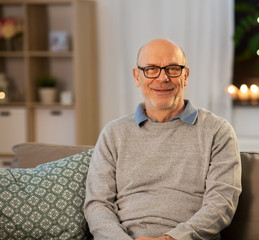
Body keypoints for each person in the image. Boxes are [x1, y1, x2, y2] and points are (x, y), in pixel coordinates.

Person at [84, 38, 242, 240]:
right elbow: (97, 204)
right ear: (137, 76)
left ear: (185, 75)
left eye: (172, 69)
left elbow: (221, 204)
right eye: (151, 69)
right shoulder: (113, 133)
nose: (162, 78)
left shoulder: (218, 131)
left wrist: (171, 239)